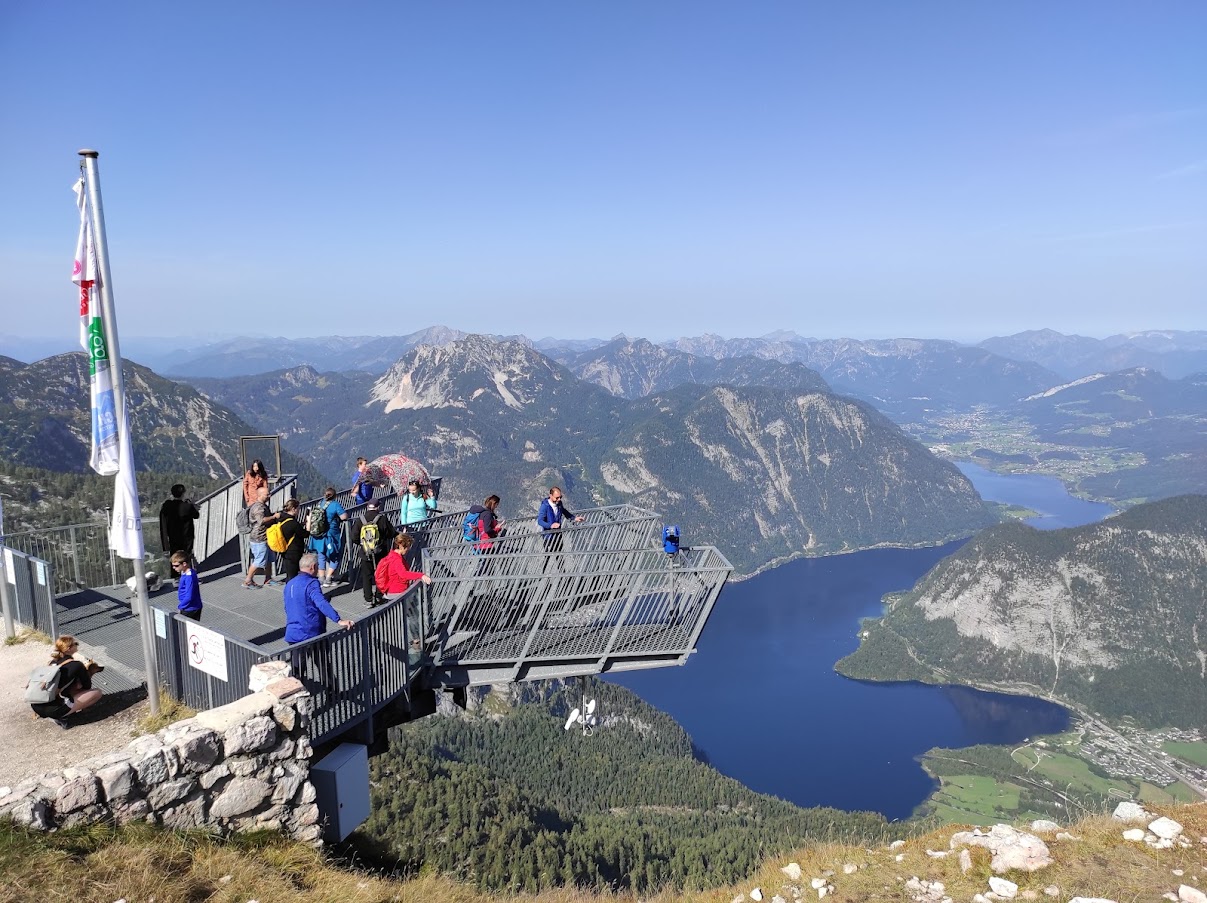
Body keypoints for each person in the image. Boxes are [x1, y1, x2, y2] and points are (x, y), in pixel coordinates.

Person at [374, 534, 431, 657]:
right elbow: (403, 574)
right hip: (398, 592)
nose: (408, 550)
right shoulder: (397, 559)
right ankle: (416, 641)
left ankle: (413, 639)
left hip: (391, 591)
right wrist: (421, 575)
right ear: (401, 546)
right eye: (407, 547)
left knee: (409, 616)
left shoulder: (391, 555)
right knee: (412, 617)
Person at [29, 635, 104, 729]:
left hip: (37, 705)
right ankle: (60, 716)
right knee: (97, 693)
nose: (77, 645)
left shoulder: (52, 663)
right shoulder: (77, 665)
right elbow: (87, 686)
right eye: (75, 644)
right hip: (53, 709)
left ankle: (55, 712)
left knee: (66, 689)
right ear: (69, 649)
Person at [354, 500, 396, 608]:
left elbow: (354, 537)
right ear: (378, 507)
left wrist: (364, 545)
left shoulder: (360, 520)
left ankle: (368, 599)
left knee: (367, 576)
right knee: (381, 574)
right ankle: (378, 596)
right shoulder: (382, 519)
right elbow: (391, 533)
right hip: (380, 552)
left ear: (367, 507)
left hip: (365, 553)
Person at [306, 487, 349, 588]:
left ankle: (321, 578)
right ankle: (328, 578)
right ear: (335, 496)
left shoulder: (320, 503)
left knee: (321, 555)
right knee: (334, 555)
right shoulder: (335, 505)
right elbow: (344, 517)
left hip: (319, 535)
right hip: (331, 535)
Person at [243, 486, 280, 588]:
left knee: (268, 559)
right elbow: (261, 520)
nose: (269, 496)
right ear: (260, 495)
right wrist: (274, 517)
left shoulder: (262, 506)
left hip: (265, 537)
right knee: (259, 560)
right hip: (259, 538)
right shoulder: (259, 507)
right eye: (267, 494)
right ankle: (248, 580)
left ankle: (268, 578)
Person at [159, 484, 200, 567]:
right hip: (186, 537)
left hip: (172, 536)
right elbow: (196, 515)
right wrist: (192, 506)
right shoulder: (187, 506)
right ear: (183, 494)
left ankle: (176, 576)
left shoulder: (167, 506)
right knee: (186, 556)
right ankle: (188, 575)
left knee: (175, 555)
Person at [536, 486, 583, 553]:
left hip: (558, 535)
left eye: (560, 497)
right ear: (551, 496)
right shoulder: (545, 506)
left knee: (560, 556)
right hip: (549, 536)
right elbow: (540, 521)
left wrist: (574, 518)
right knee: (548, 557)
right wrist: (551, 525)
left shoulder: (559, 504)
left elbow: (564, 511)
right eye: (557, 498)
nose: (559, 499)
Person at [276, 498, 309, 581]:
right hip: (294, 552)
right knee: (293, 576)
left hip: (285, 550)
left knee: (289, 573)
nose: (299, 511)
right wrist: (308, 525)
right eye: (298, 509)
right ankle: (292, 591)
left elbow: (290, 530)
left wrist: (301, 524)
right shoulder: (293, 523)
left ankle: (289, 590)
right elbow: (305, 534)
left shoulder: (282, 519)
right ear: (294, 509)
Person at [171, 550, 203, 621]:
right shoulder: (186, 572)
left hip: (190, 608)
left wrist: (180, 607)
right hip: (191, 606)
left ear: (184, 564)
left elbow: (189, 596)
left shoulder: (189, 577)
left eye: (176, 566)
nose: (174, 568)